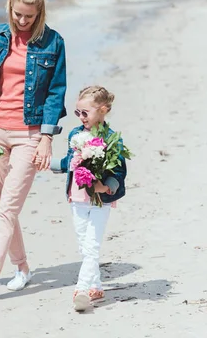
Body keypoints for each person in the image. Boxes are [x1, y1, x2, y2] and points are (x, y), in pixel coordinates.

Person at [0, 0, 67, 305]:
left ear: (39, 13)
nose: (22, 21)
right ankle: (22, 268)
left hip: (29, 135)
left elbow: (56, 93)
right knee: (4, 210)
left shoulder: (53, 43)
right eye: (17, 14)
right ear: (9, 8)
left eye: (29, 16)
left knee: (8, 209)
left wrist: (46, 140)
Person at [51, 85, 128, 312]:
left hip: (100, 199)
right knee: (84, 245)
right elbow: (68, 163)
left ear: (102, 111)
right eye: (78, 113)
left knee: (92, 245)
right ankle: (96, 286)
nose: (81, 117)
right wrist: (48, 164)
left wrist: (104, 186)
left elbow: (119, 172)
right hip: (76, 196)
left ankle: (81, 289)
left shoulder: (113, 139)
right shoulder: (75, 135)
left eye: (85, 113)